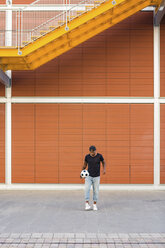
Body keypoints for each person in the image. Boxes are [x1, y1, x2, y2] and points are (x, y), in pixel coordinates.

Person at [81, 145, 106, 211]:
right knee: (87, 189)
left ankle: (94, 205)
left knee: (96, 191)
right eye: (91, 152)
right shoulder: (87, 157)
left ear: (95, 150)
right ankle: (87, 204)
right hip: (88, 176)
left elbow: (103, 162)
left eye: (93, 152)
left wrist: (104, 169)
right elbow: (84, 165)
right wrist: (81, 173)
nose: (92, 153)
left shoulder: (99, 156)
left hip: (97, 177)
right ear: (89, 151)